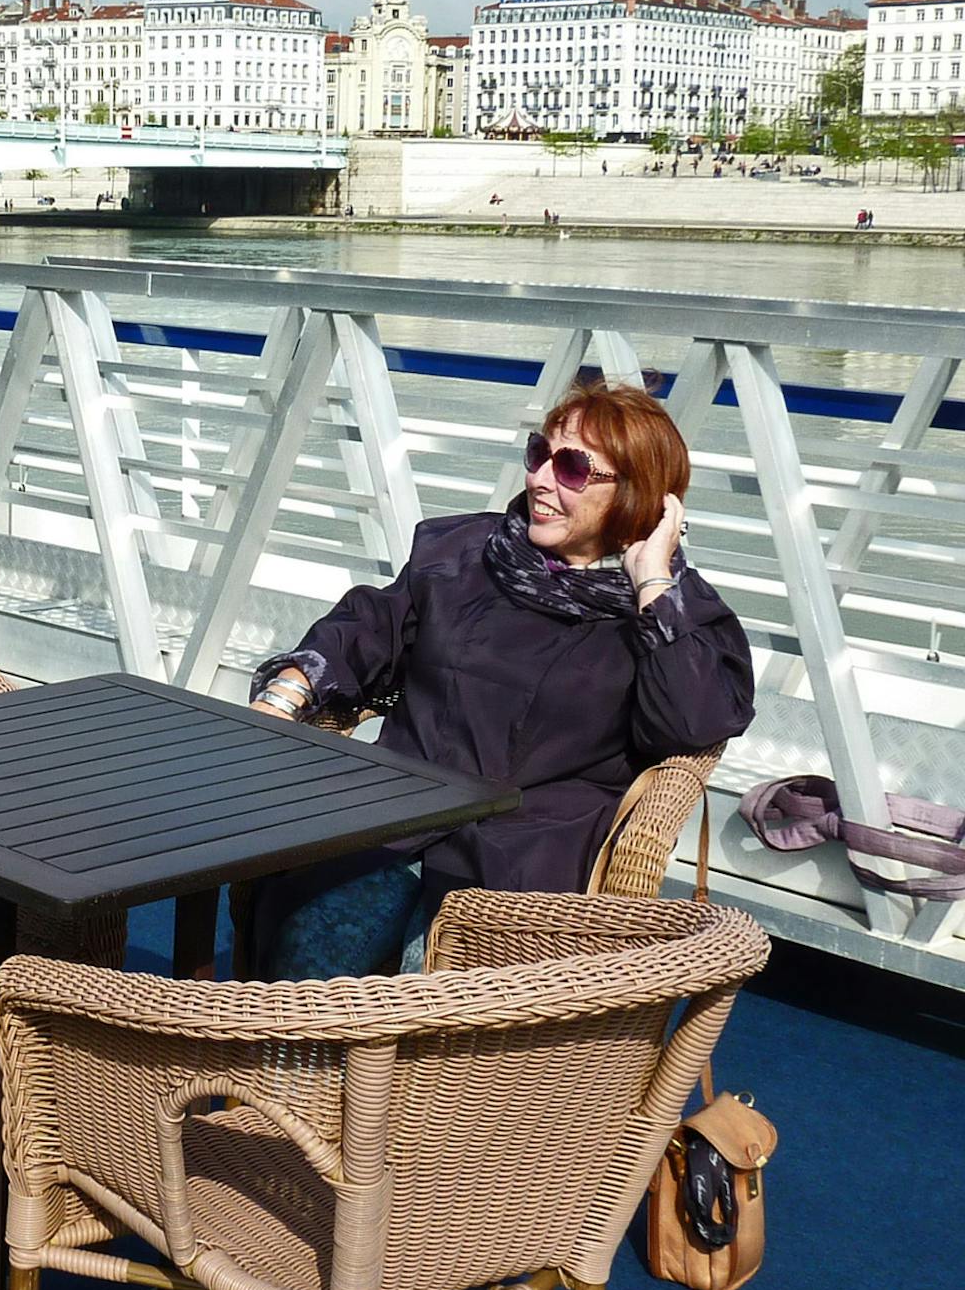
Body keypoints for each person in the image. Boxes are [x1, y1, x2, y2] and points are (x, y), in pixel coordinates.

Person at [245, 383, 754, 979]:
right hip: (402, 809)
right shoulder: (464, 553)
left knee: (439, 996)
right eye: (541, 453)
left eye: (571, 468)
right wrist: (289, 692)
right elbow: (370, 625)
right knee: (307, 946)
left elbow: (693, 723)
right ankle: (282, 1074)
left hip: (529, 845)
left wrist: (652, 589)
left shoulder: (673, 612)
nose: (540, 478)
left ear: (636, 495)